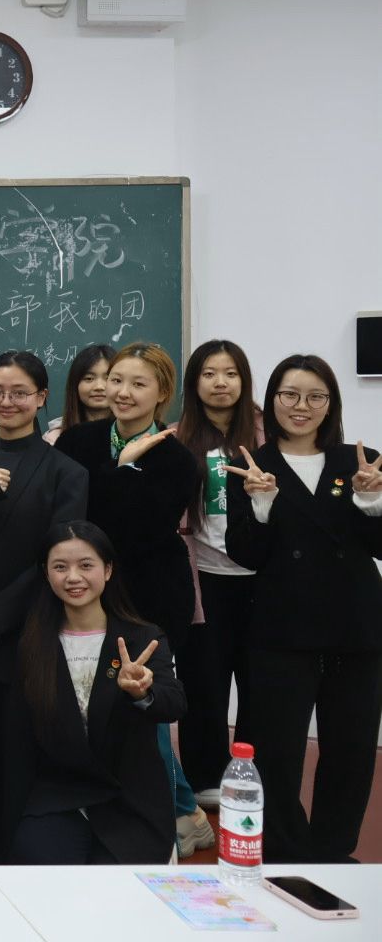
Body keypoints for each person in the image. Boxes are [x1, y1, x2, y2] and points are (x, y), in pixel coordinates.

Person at [54, 341, 210, 856]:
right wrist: (119, 466)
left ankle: (172, 815)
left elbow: (130, 531)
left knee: (145, 711)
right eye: (116, 379)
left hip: (149, 598)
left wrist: (122, 470)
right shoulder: (79, 440)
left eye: (138, 384)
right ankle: (175, 810)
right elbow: (71, 516)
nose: (120, 392)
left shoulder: (178, 459)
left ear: (162, 394)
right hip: (84, 594)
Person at [225, 354, 382, 864]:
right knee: (277, 751)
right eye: (290, 394)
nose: (302, 406)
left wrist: (371, 502)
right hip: (281, 630)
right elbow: (244, 553)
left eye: (316, 396)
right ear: (272, 399)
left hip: (355, 629)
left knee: (351, 749)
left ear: (330, 405)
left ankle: (334, 851)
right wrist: (261, 505)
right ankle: (285, 852)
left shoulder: (361, 462)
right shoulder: (252, 464)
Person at [0, 351, 88, 862]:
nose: (7, 402)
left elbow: (59, 560)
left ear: (41, 398)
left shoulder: (66, 471)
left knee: (20, 746)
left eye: (20, 393)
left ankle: (16, 853)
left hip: (28, 625)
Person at [5, 522, 186, 864]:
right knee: (39, 869)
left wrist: (142, 692)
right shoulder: (33, 644)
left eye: (86, 565)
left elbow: (174, 703)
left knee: (115, 887)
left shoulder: (142, 637)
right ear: (46, 573)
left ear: (108, 569)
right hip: (59, 797)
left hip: (130, 800)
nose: (73, 577)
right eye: (60, 567)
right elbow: (18, 737)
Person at [173, 340, 261, 806]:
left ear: (244, 381)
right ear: (194, 383)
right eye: (209, 373)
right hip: (203, 577)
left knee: (260, 682)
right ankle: (205, 776)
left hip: (261, 580)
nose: (220, 383)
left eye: (230, 373)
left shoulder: (268, 434)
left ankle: (252, 770)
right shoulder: (177, 438)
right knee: (203, 681)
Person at [43, 343, 114, 446]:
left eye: (108, 378)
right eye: (89, 378)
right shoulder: (54, 440)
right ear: (75, 385)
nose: (99, 386)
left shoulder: (134, 438)